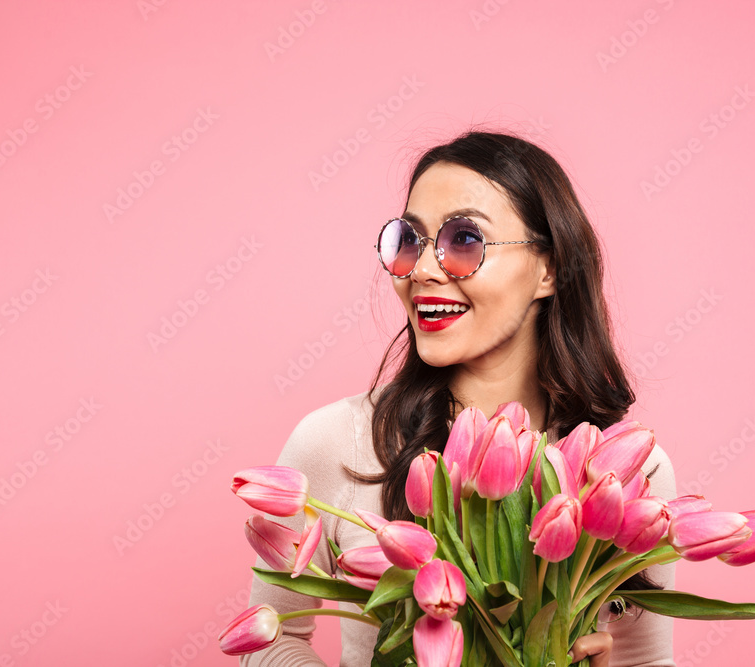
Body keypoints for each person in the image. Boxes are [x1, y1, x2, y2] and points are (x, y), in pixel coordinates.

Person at [240, 131, 676, 667]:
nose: (422, 270)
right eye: (409, 240)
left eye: (465, 240)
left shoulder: (624, 470)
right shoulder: (337, 442)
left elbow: (646, 661)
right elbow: (275, 639)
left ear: (550, 268)